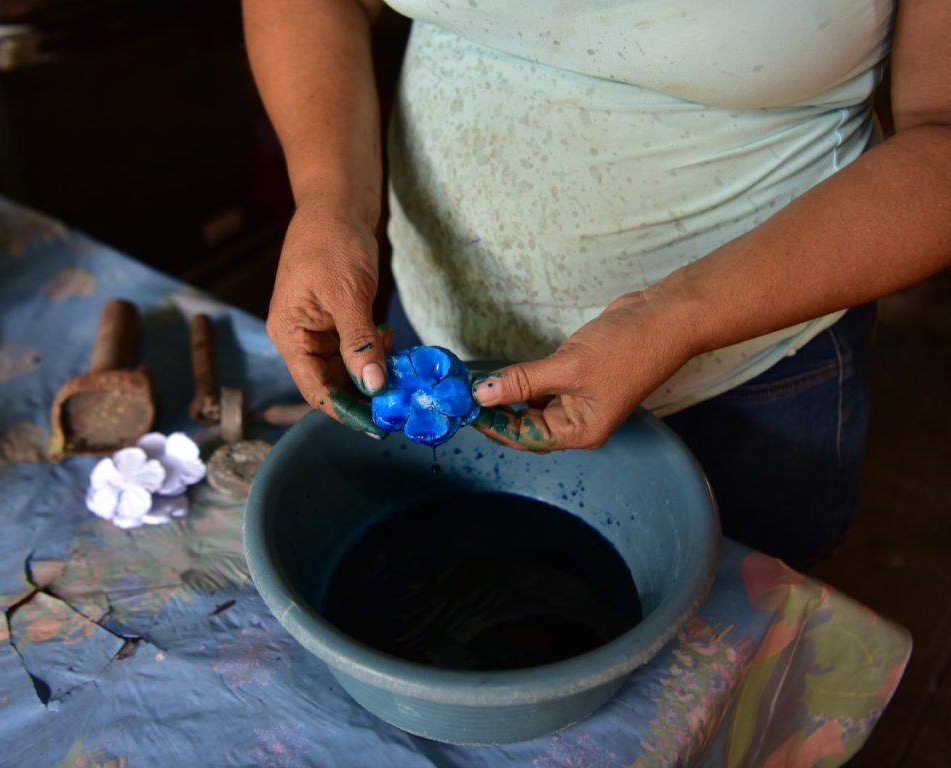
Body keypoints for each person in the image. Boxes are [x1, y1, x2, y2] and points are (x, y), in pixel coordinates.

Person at [242, 0, 951, 566]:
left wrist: (676, 315)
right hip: (429, 316)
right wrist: (330, 202)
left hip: (747, 369)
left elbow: (940, 139)